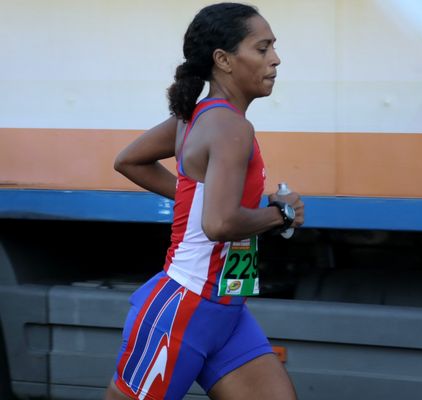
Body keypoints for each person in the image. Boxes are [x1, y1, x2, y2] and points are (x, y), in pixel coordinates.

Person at [104, 3, 304, 399]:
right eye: (262, 49)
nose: (275, 59)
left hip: (226, 313)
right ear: (224, 60)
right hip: (184, 309)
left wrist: (201, 200)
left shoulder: (195, 116)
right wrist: (279, 214)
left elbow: (130, 161)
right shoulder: (231, 125)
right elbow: (220, 224)